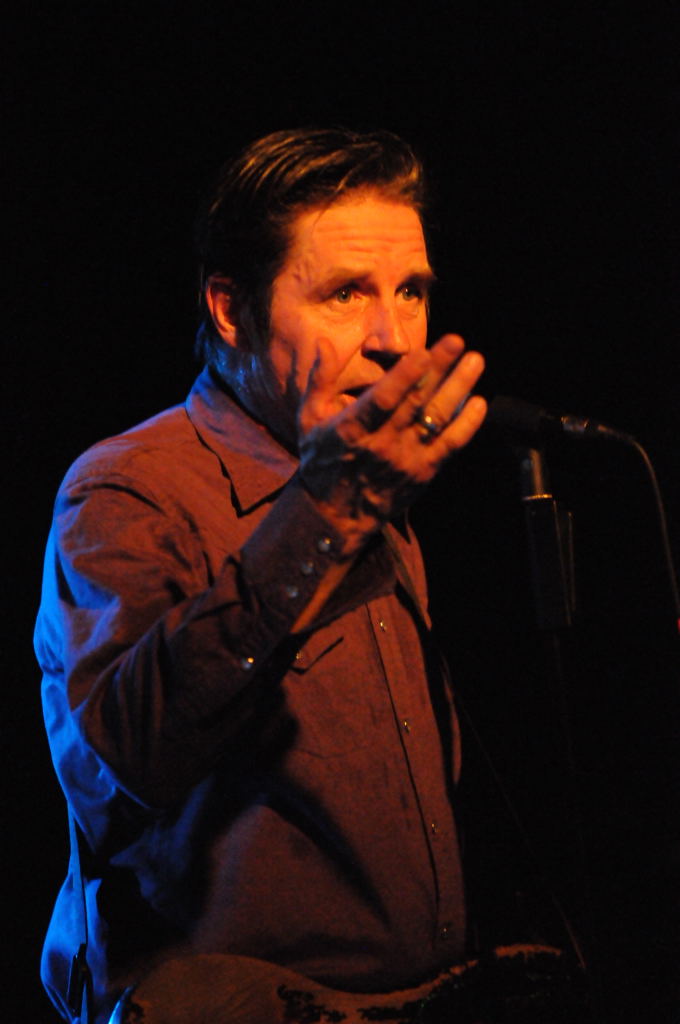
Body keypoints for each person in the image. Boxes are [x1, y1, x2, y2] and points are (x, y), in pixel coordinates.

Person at [35, 127, 488, 1024]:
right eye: (346, 293)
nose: (394, 339)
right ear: (231, 311)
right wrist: (327, 514)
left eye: (411, 292)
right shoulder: (130, 484)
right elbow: (122, 759)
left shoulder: (371, 488)